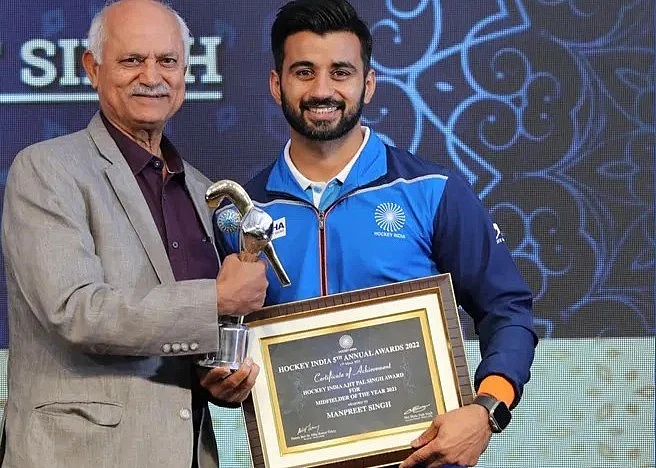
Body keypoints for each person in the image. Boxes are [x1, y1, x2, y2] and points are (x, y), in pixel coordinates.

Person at [213, 1, 537, 467]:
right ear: (275, 83)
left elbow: (508, 310)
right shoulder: (238, 213)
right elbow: (217, 345)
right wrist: (218, 380)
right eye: (303, 71)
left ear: (368, 84)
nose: (322, 89)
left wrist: (486, 412)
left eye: (340, 72)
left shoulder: (432, 192)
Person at [0, 1, 268, 467]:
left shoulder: (201, 190)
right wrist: (216, 301)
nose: (151, 75)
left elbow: (180, 338)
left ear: (185, 71)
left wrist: (217, 378)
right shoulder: (47, 169)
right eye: (131, 60)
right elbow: (75, 310)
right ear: (92, 68)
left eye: (167, 61)